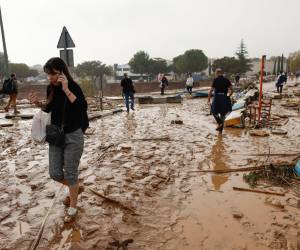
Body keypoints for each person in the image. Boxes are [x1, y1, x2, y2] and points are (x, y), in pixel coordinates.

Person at [28, 57, 89, 223]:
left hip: (73, 135)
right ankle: (75, 187)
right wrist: (37, 103)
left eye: (53, 74)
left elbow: (81, 108)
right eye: (48, 75)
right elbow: (49, 108)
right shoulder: (51, 88)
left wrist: (66, 89)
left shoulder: (73, 86)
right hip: (56, 135)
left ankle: (73, 207)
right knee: (55, 173)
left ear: (62, 72)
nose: (50, 78)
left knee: (70, 173)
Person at [207, 68, 233, 133]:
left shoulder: (215, 80)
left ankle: (220, 123)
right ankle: (220, 132)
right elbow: (232, 90)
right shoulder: (227, 80)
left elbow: (211, 90)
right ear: (222, 73)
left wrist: (208, 99)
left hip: (217, 98)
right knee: (223, 114)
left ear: (216, 73)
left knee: (213, 112)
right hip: (224, 97)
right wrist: (228, 96)